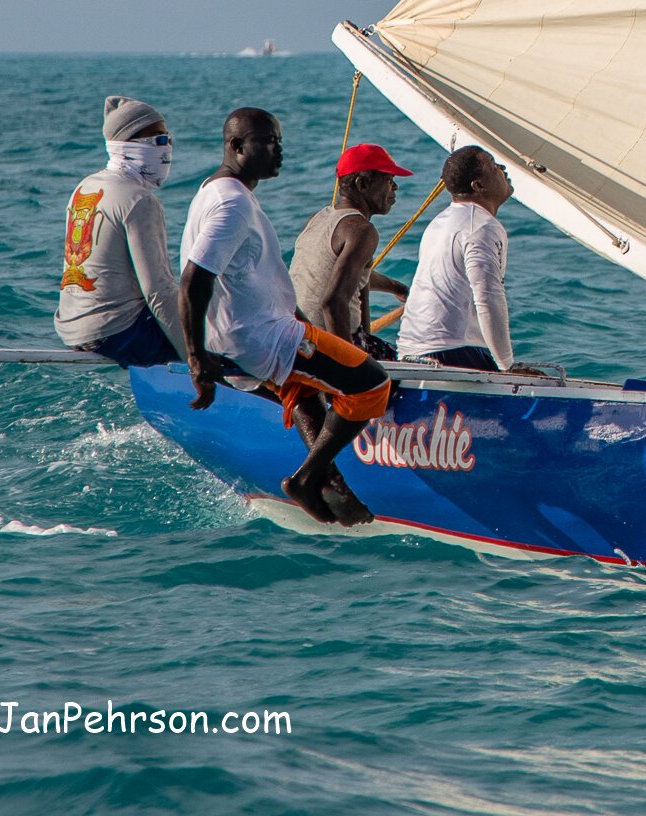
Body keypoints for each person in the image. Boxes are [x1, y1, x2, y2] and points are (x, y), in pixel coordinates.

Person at [178, 107, 390, 526]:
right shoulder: (233, 204)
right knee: (372, 385)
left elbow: (252, 275)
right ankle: (307, 479)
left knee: (305, 394)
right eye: (269, 142)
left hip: (264, 331)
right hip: (264, 339)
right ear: (237, 147)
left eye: (279, 141)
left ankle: (332, 487)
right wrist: (196, 358)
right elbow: (193, 280)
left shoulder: (214, 190)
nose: (280, 150)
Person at [54, 95, 182, 367]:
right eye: (159, 139)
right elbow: (158, 291)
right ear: (131, 144)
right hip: (117, 332)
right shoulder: (139, 200)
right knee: (221, 335)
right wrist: (196, 357)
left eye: (168, 139)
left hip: (69, 327)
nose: (167, 148)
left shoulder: (85, 186)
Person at [397, 145, 519, 371]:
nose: (503, 169)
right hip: (450, 352)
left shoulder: (440, 222)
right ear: (478, 185)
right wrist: (507, 366)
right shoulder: (481, 226)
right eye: (493, 167)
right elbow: (488, 297)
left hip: (408, 351)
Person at [290, 143, 411, 359]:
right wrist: (347, 368)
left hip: (298, 338)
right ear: (362, 184)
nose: (395, 188)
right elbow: (333, 302)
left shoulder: (318, 219)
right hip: (327, 344)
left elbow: (340, 274)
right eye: (388, 181)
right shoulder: (361, 230)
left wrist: (396, 287)